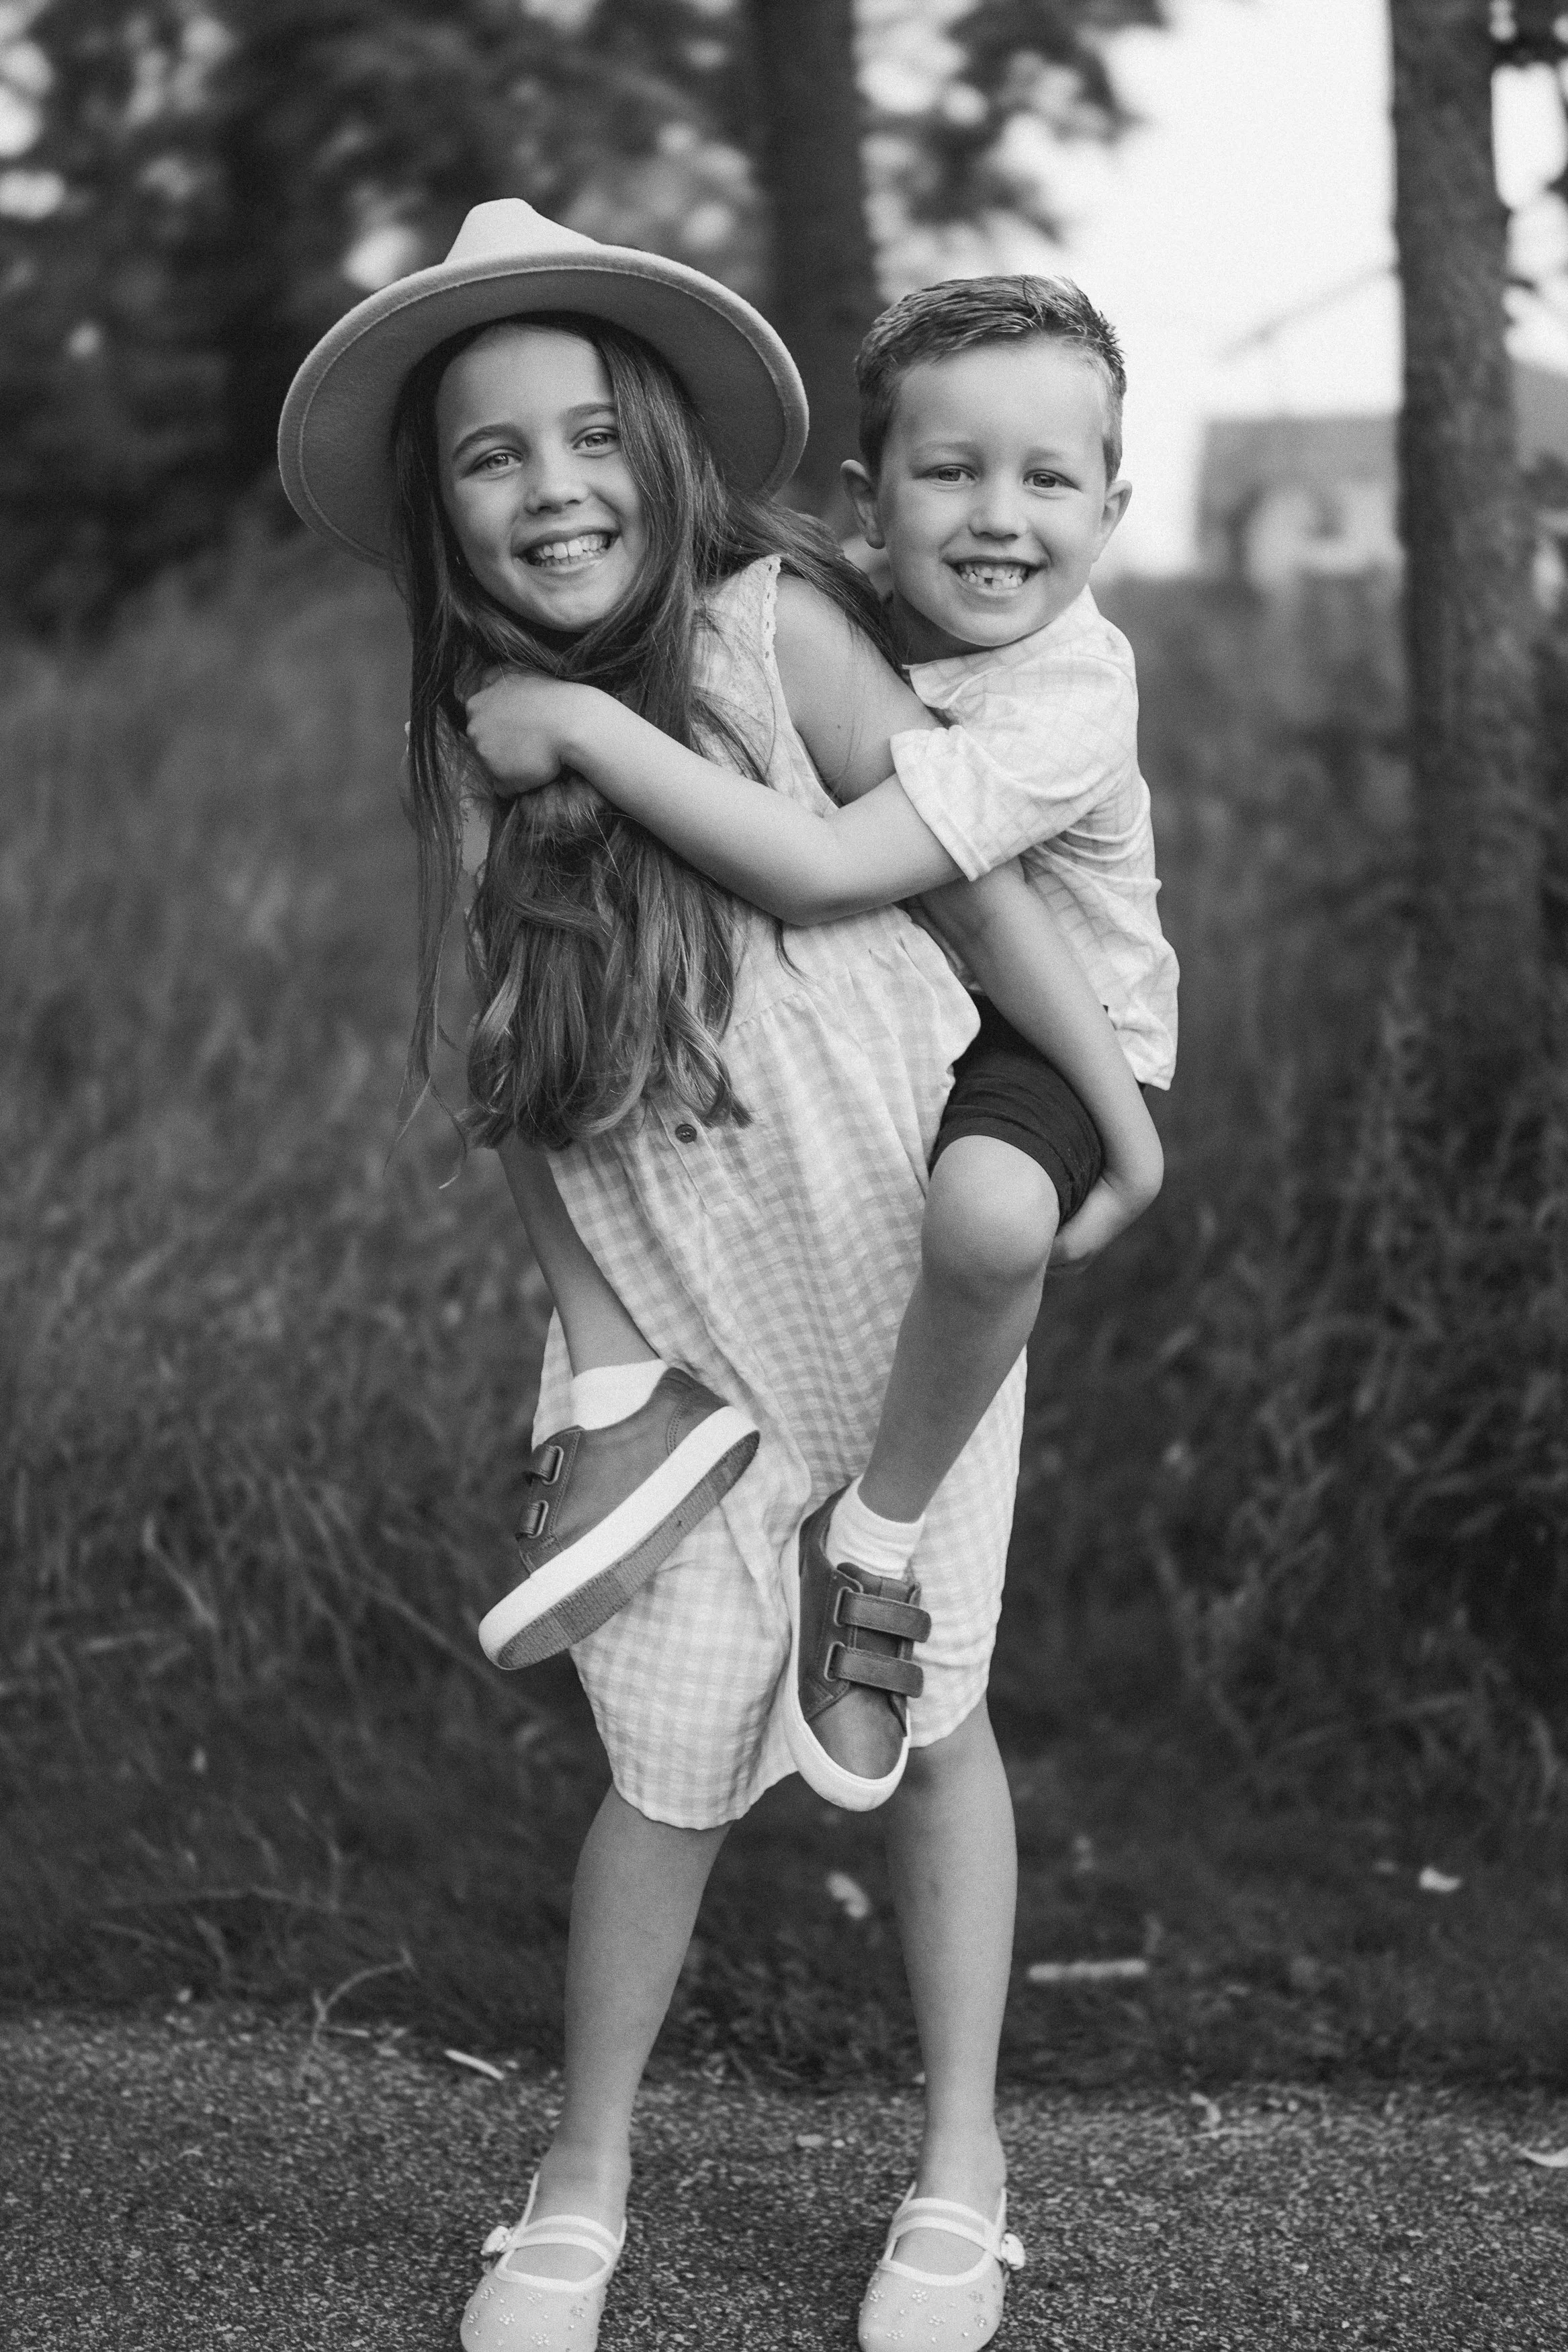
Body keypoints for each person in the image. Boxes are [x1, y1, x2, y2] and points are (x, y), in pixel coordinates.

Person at [277, 200, 1144, 2352]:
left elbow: (973, 897)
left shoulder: (777, 633)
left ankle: (959, 2165)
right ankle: (579, 2175)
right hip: (681, 1310)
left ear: (661, 457)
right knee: (665, 1757)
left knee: (921, 1715)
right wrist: (591, 1350)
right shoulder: (493, 740)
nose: (551, 484)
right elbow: (521, 1078)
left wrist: (1115, 1116)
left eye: (589, 435)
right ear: (441, 505)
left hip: (900, 1279)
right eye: (493, 454)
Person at [466, 272, 1175, 1808]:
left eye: (1049, 480)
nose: (998, 516)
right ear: (870, 501)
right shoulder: (850, 619)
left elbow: (836, 875)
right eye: (952, 473)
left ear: (1112, 509)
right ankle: (617, 1396)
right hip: (930, 1025)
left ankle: (873, 1541)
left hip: (1062, 1038)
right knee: (523, 1026)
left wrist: (1130, 1132)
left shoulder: (1070, 695)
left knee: (987, 1217)